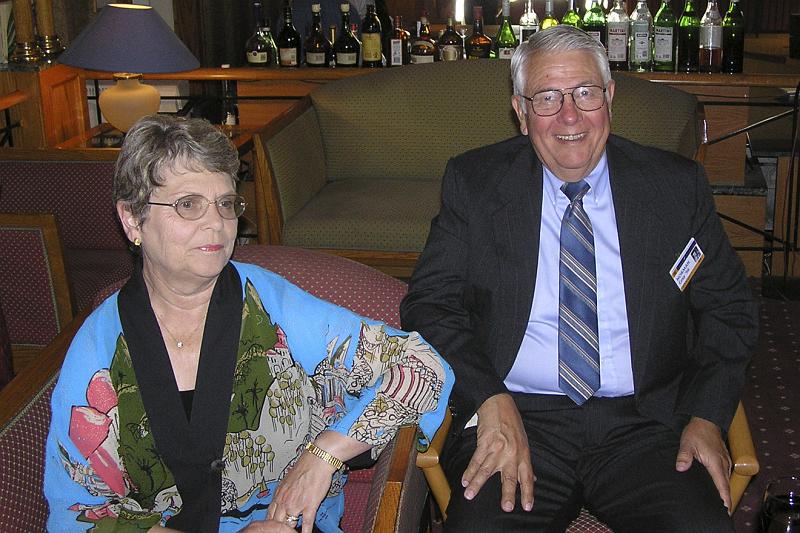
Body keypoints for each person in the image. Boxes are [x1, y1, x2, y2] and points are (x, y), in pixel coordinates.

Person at [400, 25, 758, 532]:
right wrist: (488, 397)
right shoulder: (475, 184)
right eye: (547, 98)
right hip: (520, 418)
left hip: (647, 423)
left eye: (585, 93)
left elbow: (729, 309)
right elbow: (429, 304)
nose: (570, 116)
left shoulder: (674, 188)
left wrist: (706, 415)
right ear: (521, 113)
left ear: (610, 98)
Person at [44, 115, 453, 533]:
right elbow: (78, 512)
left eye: (225, 203)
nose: (216, 223)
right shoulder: (98, 349)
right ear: (133, 219)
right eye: (188, 204)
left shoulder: (273, 308)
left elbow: (423, 367)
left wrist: (323, 455)